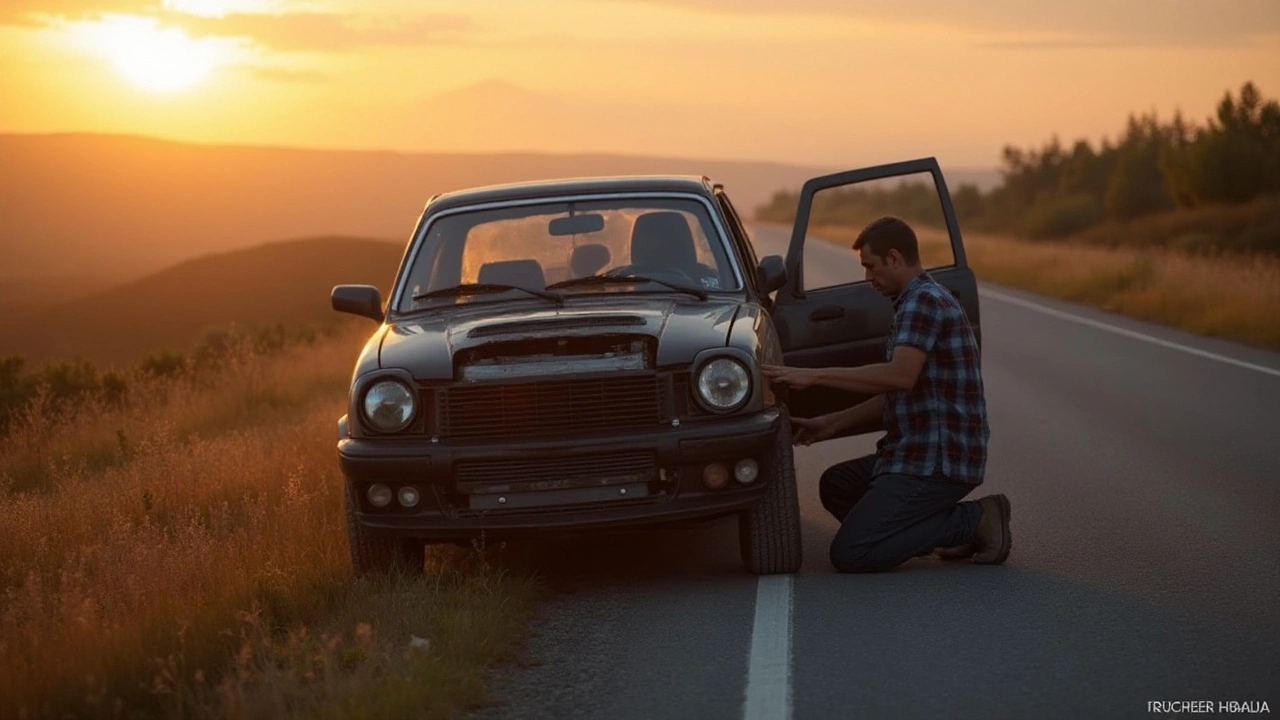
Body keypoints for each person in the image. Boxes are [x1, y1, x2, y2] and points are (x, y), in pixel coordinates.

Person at [762, 216, 1010, 573]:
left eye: (870, 266)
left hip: (938, 459)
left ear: (894, 258)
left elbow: (900, 376)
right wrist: (829, 423)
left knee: (851, 553)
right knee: (836, 486)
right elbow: (898, 393)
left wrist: (815, 375)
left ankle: (973, 521)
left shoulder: (922, 302)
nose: (867, 279)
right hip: (912, 451)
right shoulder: (912, 301)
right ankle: (936, 529)